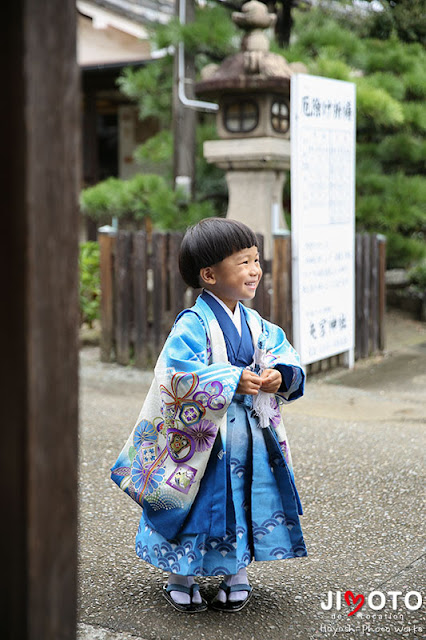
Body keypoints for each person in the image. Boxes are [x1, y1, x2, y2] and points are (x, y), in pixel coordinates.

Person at [111, 218, 307, 613]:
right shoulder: (193, 323)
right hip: (202, 441)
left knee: (244, 500)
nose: (255, 270)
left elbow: (285, 355)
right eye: (244, 262)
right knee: (196, 503)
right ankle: (180, 576)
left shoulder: (256, 323)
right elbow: (174, 375)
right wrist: (231, 379)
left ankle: (237, 574)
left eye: (256, 260)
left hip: (248, 437)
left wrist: (278, 375)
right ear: (210, 275)